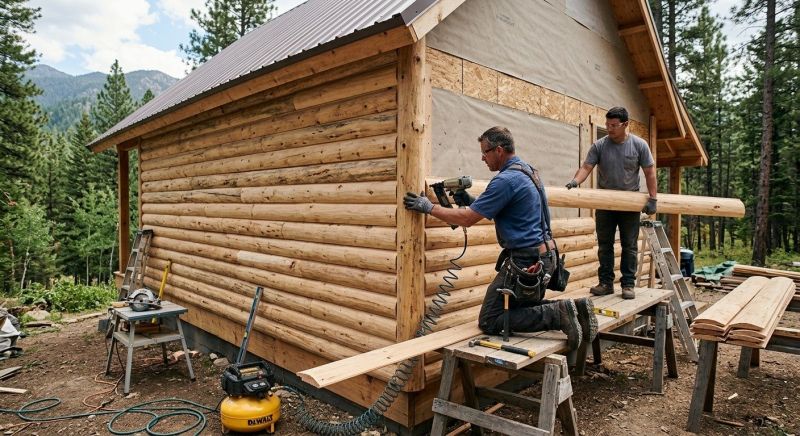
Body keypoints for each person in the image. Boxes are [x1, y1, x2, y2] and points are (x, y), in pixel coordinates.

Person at [403, 126, 597, 350]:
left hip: (526, 262)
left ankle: (558, 314)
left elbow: (467, 219)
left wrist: (428, 207)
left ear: (498, 150)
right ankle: (577, 308)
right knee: (517, 308)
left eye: (485, 152)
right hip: (546, 256)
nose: (482, 158)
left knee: (491, 318)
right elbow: (506, 208)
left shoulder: (506, 180)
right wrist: (470, 199)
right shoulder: (527, 171)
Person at [565, 107, 657, 300]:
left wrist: (653, 198)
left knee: (629, 245)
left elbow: (650, 172)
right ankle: (606, 283)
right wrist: (575, 181)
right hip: (605, 203)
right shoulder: (600, 145)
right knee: (605, 244)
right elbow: (586, 166)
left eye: (614, 125)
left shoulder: (639, 145)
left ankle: (628, 284)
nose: (609, 129)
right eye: (607, 125)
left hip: (629, 204)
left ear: (625, 124)